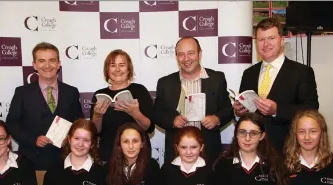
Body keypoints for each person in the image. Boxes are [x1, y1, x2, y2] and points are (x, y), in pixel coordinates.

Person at [234, 17, 319, 153]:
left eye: (271, 38)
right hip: (253, 151)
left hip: (286, 149)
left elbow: (311, 110)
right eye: (261, 40)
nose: (265, 44)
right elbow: (246, 112)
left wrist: (277, 110)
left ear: (282, 40)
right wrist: (239, 112)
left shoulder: (302, 72)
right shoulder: (249, 73)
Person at [152, 36, 233, 164]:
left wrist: (217, 118)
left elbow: (228, 110)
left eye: (191, 53)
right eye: (181, 54)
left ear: (200, 54)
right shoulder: (165, 83)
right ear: (176, 57)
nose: (186, 59)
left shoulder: (217, 79)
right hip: (176, 153)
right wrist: (172, 121)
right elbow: (156, 113)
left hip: (209, 151)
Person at [6, 42, 84, 170]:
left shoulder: (71, 92)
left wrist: (70, 137)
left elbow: (79, 122)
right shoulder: (22, 93)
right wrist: (33, 139)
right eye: (42, 61)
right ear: (34, 65)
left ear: (59, 64)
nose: (47, 65)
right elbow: (11, 124)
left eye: (52, 60)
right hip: (31, 161)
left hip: (65, 160)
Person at [90, 49, 154, 162]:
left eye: (122, 65)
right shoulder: (99, 95)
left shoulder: (139, 91)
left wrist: (135, 114)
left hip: (137, 157)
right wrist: (97, 116)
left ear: (128, 69)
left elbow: (149, 128)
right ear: (107, 70)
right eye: (113, 65)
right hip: (108, 156)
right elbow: (96, 132)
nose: (117, 69)